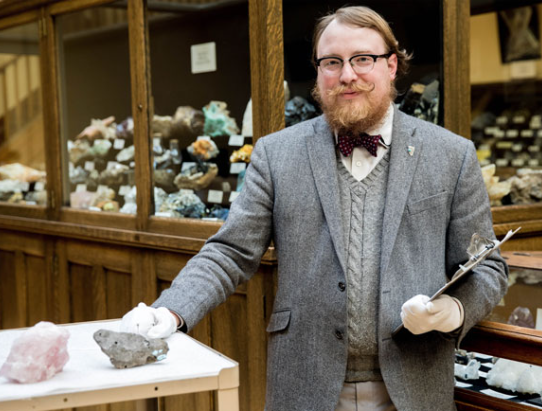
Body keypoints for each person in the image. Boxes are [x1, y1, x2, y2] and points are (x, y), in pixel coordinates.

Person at [121, 6, 508, 411]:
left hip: (414, 386)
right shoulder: (277, 154)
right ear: (318, 72)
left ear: (392, 66)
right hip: (306, 385)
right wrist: (171, 310)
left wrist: (454, 310)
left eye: (363, 59)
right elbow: (229, 252)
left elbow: (486, 266)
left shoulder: (451, 155)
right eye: (332, 62)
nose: (347, 75)